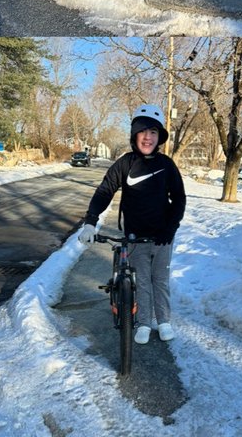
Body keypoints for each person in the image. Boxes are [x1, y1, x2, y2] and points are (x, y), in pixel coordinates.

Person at [77, 105, 186, 344]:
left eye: (154, 132)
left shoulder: (166, 165)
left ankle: (164, 321)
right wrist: (90, 222)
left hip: (162, 235)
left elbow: (179, 198)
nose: (148, 137)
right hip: (135, 235)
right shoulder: (125, 164)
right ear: (135, 134)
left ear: (159, 138)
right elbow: (105, 191)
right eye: (143, 131)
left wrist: (171, 228)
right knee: (143, 282)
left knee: (160, 279)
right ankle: (145, 323)